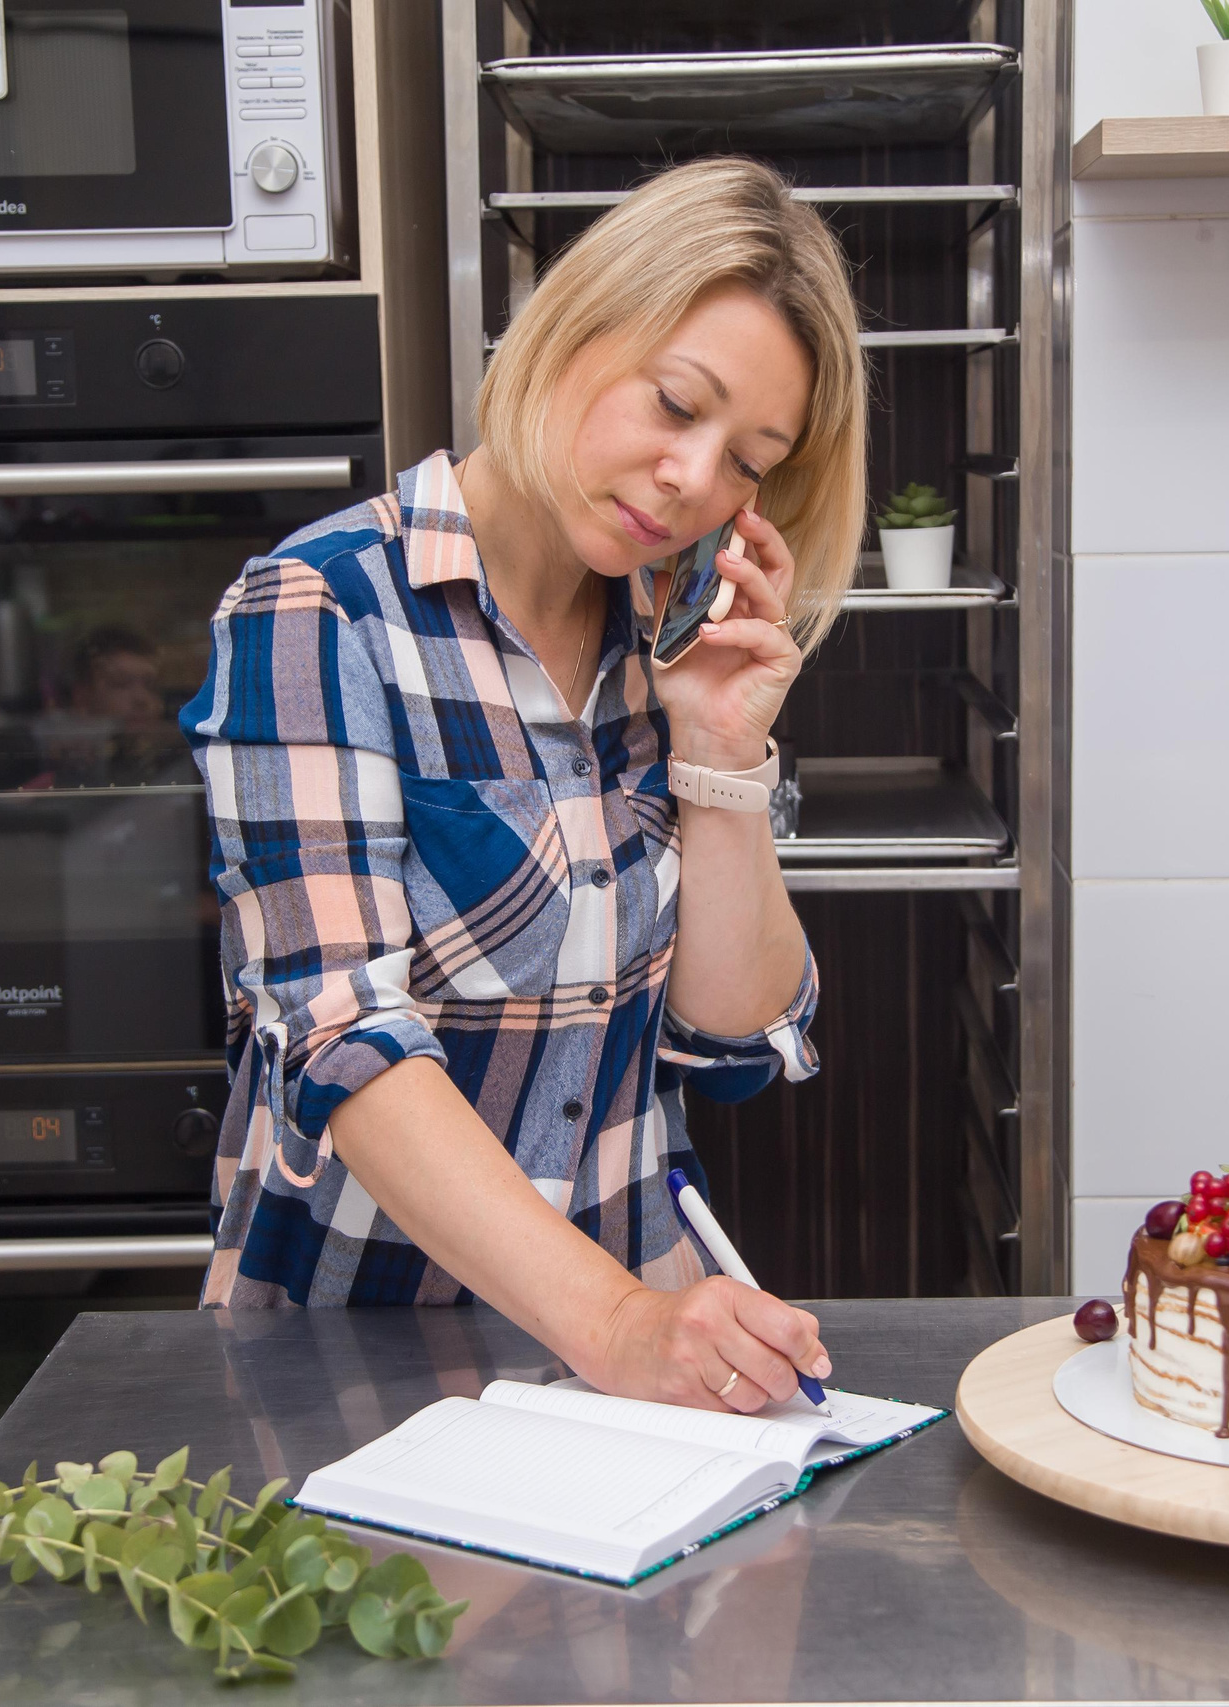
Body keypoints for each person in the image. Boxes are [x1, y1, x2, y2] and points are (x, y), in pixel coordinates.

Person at [182, 156, 868, 1415]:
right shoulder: (319, 610)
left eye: (749, 459)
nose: (693, 479)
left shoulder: (670, 638)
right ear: (574, 322)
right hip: (358, 1363)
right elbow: (342, 1039)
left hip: (632, 1367)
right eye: (675, 402)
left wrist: (719, 755)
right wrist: (616, 1325)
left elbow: (729, 1041)